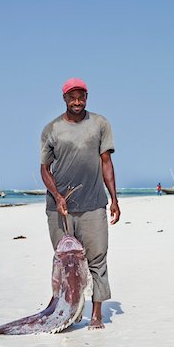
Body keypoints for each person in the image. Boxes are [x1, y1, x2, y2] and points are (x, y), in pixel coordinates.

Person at [40, 77, 121, 330]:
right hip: (59, 208)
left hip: (94, 205)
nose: (77, 101)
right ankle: (68, 312)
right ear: (64, 99)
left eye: (81, 96)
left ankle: (96, 313)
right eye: (72, 97)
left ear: (86, 97)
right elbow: (44, 170)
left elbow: (106, 163)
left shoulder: (100, 124)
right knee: (66, 262)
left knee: (97, 259)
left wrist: (114, 199)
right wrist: (58, 195)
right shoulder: (51, 129)